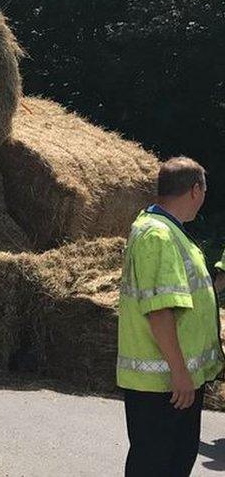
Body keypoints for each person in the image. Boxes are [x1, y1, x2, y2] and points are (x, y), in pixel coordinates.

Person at [118, 156, 224, 477]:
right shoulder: (159, 236)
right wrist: (179, 372)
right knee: (156, 465)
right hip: (163, 383)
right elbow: (160, 310)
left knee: (175, 462)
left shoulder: (171, 232)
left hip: (173, 381)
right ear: (195, 190)